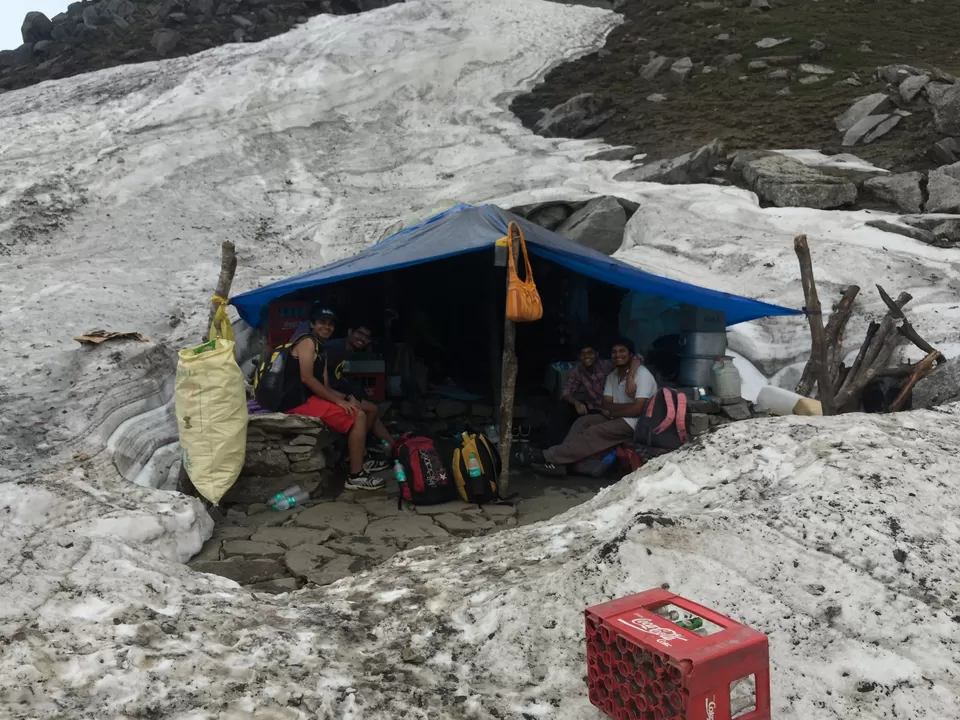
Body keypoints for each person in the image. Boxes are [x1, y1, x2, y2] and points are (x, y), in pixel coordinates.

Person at [281, 306, 392, 491]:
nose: (327, 327)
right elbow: (306, 378)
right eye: (322, 323)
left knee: (358, 410)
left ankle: (357, 460)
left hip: (308, 398)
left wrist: (346, 399)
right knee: (359, 416)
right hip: (296, 401)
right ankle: (355, 476)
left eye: (330, 324)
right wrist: (339, 401)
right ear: (312, 324)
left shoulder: (321, 348)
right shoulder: (307, 341)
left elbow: (324, 386)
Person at [521, 338, 657, 476]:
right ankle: (561, 464)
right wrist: (580, 403)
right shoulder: (611, 375)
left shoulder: (639, 374)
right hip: (611, 414)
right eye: (614, 352)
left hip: (637, 423)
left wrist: (630, 378)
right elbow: (606, 404)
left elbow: (639, 409)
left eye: (622, 351)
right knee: (582, 422)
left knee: (594, 432)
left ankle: (544, 456)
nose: (618, 355)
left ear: (597, 354)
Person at [546, 342, 640, 445]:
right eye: (582, 354)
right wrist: (576, 403)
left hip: (614, 409)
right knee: (563, 406)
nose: (586, 356)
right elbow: (566, 392)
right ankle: (555, 444)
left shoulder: (608, 366)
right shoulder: (578, 370)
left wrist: (630, 376)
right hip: (595, 408)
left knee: (587, 425)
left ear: (596, 354)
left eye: (590, 352)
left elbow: (637, 357)